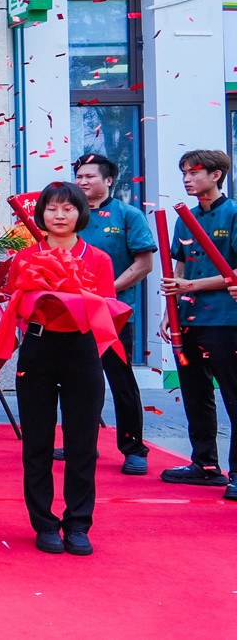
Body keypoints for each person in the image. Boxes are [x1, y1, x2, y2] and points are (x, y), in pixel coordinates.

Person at [0, 181, 119, 555]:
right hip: (39, 348)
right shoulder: (25, 257)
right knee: (37, 442)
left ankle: (78, 523)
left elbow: (107, 308)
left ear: (80, 213)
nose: (59, 215)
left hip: (82, 349)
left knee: (83, 444)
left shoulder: (97, 258)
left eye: (68, 208)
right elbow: (13, 304)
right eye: (52, 208)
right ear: (41, 214)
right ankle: (44, 523)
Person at [161, 149, 237, 499]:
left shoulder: (233, 213)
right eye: (184, 174)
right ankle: (204, 464)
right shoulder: (185, 218)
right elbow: (179, 267)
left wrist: (191, 286)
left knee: (233, 395)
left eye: (194, 172)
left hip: (225, 319)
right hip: (189, 319)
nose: (187, 179)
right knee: (195, 393)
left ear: (216, 175)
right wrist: (170, 312)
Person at [72, 153, 155, 474]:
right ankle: (82, 444)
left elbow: (143, 265)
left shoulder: (128, 215)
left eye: (89, 176)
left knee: (121, 381)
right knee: (77, 380)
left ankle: (134, 449)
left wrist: (104, 291)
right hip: (74, 314)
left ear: (108, 181)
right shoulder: (70, 214)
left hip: (113, 313)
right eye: (79, 176)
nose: (82, 182)